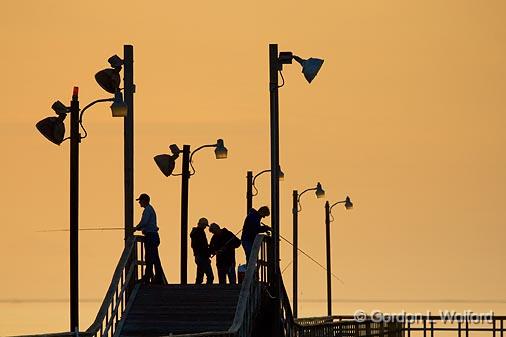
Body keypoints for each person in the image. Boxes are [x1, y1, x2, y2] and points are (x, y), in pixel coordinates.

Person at [134, 193, 166, 284]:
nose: (139, 202)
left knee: (149, 257)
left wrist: (136, 228)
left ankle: (147, 277)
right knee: (154, 258)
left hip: (151, 237)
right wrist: (141, 228)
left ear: (145, 201)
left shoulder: (147, 210)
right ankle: (157, 278)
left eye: (140, 200)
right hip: (153, 236)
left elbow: (144, 222)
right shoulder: (150, 209)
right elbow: (146, 223)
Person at [190, 217, 214, 284]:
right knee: (210, 276)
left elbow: (198, 246)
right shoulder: (199, 233)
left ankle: (197, 290)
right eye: (205, 225)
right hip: (202, 257)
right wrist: (207, 254)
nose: (205, 227)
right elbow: (202, 246)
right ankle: (207, 291)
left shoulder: (196, 233)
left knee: (200, 276)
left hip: (198, 256)